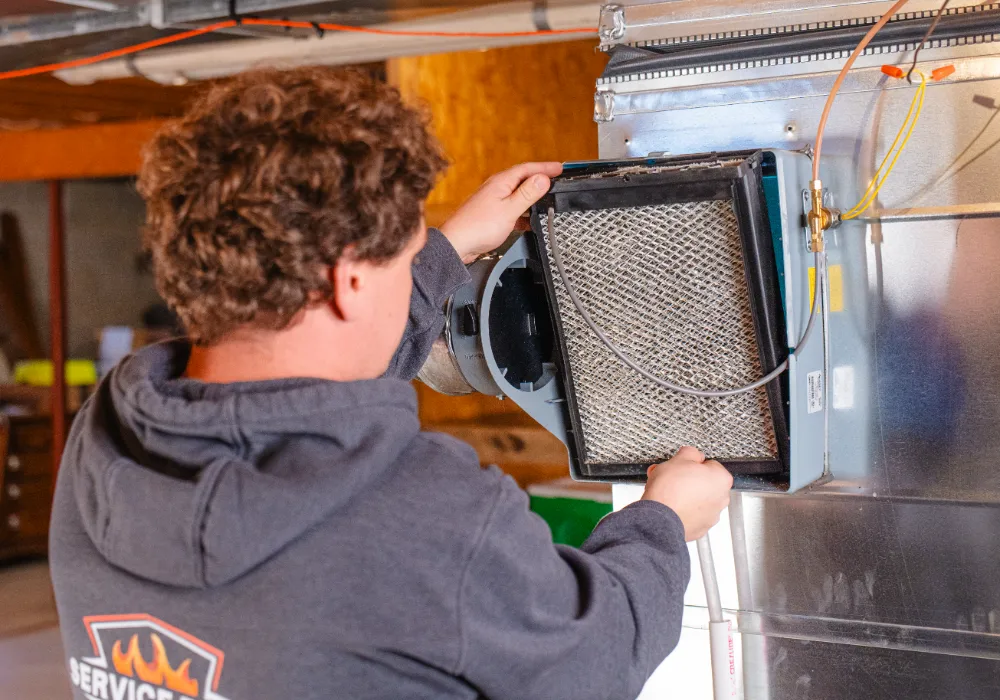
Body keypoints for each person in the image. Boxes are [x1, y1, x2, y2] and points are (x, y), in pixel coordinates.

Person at [49, 67, 732, 700]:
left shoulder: (103, 436)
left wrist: (443, 252)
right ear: (347, 281)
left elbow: (300, 404)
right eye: (405, 256)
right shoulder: (429, 516)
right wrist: (662, 522)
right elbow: (598, 656)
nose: (415, 265)